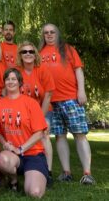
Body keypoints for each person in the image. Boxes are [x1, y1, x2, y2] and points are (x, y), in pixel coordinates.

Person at [39, 23, 95, 185]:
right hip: (50, 101)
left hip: (71, 98)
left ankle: (87, 173)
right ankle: (66, 172)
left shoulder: (68, 49)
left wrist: (81, 91)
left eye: (52, 32)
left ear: (57, 34)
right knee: (59, 136)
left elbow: (78, 69)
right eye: (46, 33)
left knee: (79, 134)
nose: (49, 35)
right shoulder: (40, 53)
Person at [0, 68, 48, 198]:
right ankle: (13, 181)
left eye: (14, 79)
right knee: (3, 159)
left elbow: (39, 133)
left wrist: (21, 148)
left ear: (20, 83)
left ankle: (37, 175)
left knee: (34, 193)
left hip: (33, 154)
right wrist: (5, 144)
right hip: (12, 154)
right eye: (7, 79)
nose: (10, 81)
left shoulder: (31, 103)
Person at [16, 41, 55, 186]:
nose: (27, 54)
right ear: (20, 55)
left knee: (44, 134)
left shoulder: (42, 70)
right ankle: (21, 167)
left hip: (43, 109)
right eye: (24, 52)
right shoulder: (17, 72)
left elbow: (49, 94)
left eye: (31, 52)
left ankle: (48, 172)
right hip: (23, 113)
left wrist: (41, 117)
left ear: (35, 55)